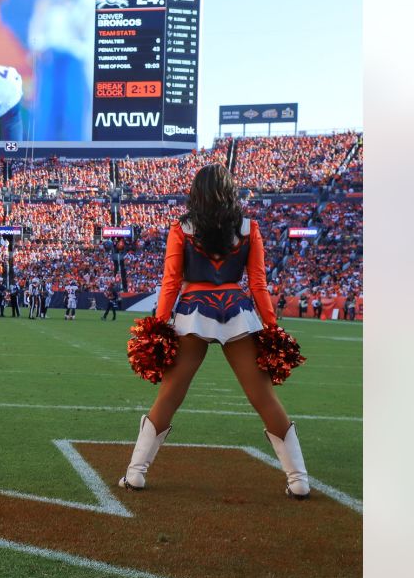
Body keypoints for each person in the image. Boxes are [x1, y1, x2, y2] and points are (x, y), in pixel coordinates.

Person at [118, 164, 310, 499]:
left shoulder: (183, 228)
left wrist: (159, 324)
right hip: (238, 313)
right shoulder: (250, 228)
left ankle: (135, 473)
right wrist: (272, 327)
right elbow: (259, 285)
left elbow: (171, 282)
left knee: (169, 396)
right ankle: (299, 479)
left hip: (193, 314)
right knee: (264, 397)